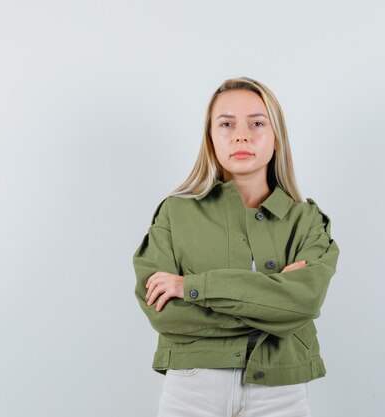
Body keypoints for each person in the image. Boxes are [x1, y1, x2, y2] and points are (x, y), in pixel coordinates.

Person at [132, 76, 340, 417]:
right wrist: (273, 308)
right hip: (192, 388)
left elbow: (304, 301)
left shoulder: (306, 220)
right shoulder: (175, 212)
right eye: (226, 123)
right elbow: (164, 313)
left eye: (257, 123)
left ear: (277, 136)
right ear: (211, 137)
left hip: (281, 393)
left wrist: (191, 287)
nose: (241, 134)